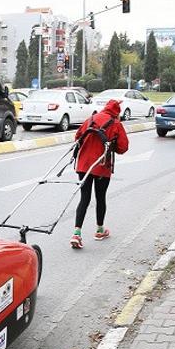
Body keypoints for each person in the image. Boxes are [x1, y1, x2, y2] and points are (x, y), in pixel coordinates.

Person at [70, 99, 129, 249]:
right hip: (102, 166)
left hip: (83, 166)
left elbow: (77, 137)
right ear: (117, 112)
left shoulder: (90, 119)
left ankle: (76, 233)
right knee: (100, 197)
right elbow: (123, 147)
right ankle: (99, 230)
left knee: (84, 198)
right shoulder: (115, 123)